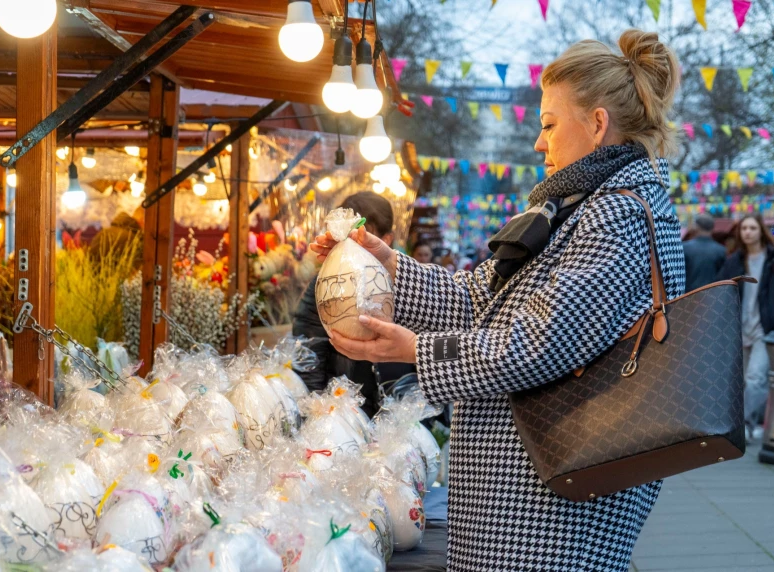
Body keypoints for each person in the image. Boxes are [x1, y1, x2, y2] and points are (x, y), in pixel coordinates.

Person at [312, 30, 685, 571]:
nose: (538, 142)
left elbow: (537, 343)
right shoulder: (576, 207)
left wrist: (416, 351)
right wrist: (385, 264)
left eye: (549, 125)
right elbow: (477, 300)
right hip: (526, 498)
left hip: (552, 511)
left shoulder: (617, 214)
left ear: (598, 123)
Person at [292, 191, 402, 417]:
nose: (355, 243)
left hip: (398, 408)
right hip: (345, 408)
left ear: (387, 239)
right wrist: (319, 410)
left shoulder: (407, 284)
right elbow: (309, 349)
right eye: (349, 236)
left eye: (364, 235)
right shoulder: (327, 285)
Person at [718, 214, 774, 438]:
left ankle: (742, 425)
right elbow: (720, 290)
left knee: (756, 378)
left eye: (752, 228)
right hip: (738, 328)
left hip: (764, 328)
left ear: (761, 231)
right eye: (744, 228)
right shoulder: (734, 261)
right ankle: (752, 424)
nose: (748, 232)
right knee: (743, 382)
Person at [682, 213, 726, 292]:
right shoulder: (722, 250)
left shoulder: (684, 248)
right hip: (713, 295)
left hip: (689, 295)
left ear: (696, 227)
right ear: (712, 228)